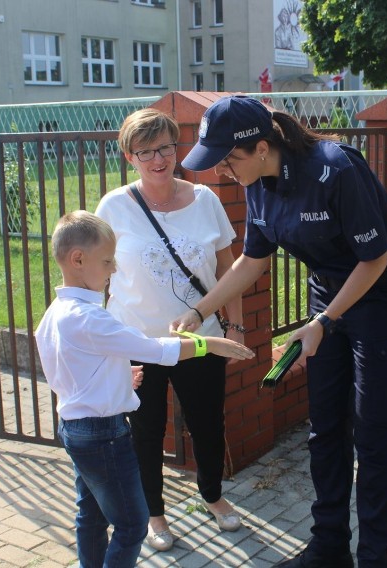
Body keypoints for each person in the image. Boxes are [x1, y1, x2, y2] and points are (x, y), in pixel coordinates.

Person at [174, 95, 387, 568]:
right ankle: (328, 549)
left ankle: (375, 559)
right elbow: (252, 260)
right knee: (325, 429)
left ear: (262, 147)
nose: (223, 170)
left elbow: (376, 258)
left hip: (382, 297)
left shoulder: (335, 169)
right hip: (327, 296)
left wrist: (323, 323)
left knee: (374, 436)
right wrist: (200, 310)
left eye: (229, 159)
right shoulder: (257, 182)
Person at [34, 210, 253, 568]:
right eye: (106, 261)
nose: (113, 270)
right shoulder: (89, 317)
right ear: (78, 260)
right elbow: (153, 349)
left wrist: (118, 377)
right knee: (133, 524)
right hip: (104, 434)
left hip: (76, 428)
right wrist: (207, 345)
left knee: (90, 515)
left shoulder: (56, 313)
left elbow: (74, 372)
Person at [94, 108, 248, 552]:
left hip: (201, 339)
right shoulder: (114, 206)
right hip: (137, 341)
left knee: (206, 422)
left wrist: (235, 326)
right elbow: (98, 274)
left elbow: (228, 269)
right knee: (145, 429)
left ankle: (212, 495)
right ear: (130, 157)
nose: (159, 159)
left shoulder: (205, 201)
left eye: (166, 147)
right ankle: (154, 514)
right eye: (146, 151)